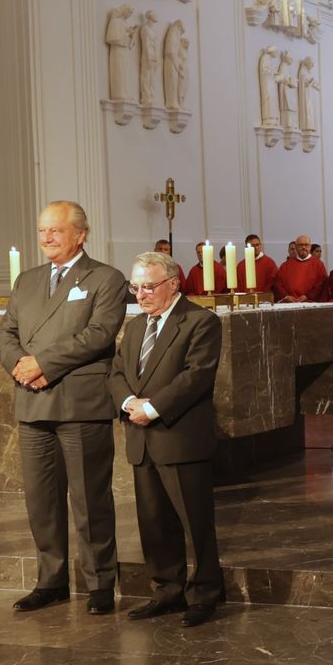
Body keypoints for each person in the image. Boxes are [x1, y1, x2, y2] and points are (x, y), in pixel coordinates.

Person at [0, 201, 130, 616]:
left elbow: (98, 334)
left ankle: (100, 583)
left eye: (56, 230)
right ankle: (50, 581)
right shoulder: (27, 280)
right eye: (42, 231)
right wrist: (21, 366)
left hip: (80, 403)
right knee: (41, 501)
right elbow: (7, 332)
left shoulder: (106, 278)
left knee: (89, 499)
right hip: (33, 401)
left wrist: (43, 364)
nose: (47, 238)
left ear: (80, 234)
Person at [111, 251, 225, 628]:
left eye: (148, 287)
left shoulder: (199, 322)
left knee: (194, 523)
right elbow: (116, 373)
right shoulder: (135, 327)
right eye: (135, 287)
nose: (140, 295)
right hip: (141, 439)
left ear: (173, 284)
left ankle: (206, 593)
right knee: (154, 522)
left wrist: (153, 407)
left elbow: (196, 376)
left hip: (178, 437)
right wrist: (129, 402)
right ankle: (166, 590)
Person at [272, 235, 330, 302]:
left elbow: (321, 285)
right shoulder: (285, 265)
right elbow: (278, 284)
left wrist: (307, 296)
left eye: (306, 245)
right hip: (290, 303)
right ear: (296, 247)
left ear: (310, 247)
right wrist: (286, 296)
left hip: (310, 303)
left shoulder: (318, 264)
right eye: (300, 245)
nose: (303, 247)